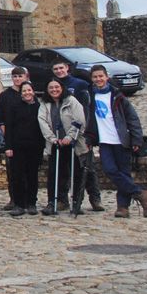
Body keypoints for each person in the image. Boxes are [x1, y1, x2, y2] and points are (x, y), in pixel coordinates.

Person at [85, 65, 147, 218]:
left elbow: (132, 118)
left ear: (106, 77)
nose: (98, 79)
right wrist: (89, 137)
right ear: (92, 79)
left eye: (100, 76)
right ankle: (141, 194)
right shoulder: (90, 96)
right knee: (110, 170)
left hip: (121, 140)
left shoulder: (118, 96)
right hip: (104, 141)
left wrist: (136, 139)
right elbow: (89, 120)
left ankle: (123, 207)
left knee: (123, 173)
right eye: (95, 77)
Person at [52, 59, 104, 211]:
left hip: (80, 134)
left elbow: (87, 108)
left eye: (61, 68)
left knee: (87, 168)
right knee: (62, 168)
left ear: (67, 68)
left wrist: (85, 131)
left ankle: (95, 199)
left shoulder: (80, 84)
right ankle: (62, 199)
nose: (59, 71)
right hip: (61, 134)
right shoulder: (53, 85)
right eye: (55, 68)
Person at [39, 78, 88, 216]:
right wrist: (52, 138)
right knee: (54, 173)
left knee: (76, 173)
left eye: (57, 87)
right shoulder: (45, 103)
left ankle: (76, 202)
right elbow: (42, 121)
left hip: (72, 143)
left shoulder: (71, 101)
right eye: (51, 88)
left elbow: (79, 120)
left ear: (62, 88)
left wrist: (69, 137)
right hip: (55, 143)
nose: (54, 90)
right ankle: (53, 201)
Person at [3, 82, 43, 217]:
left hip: (35, 146)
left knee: (32, 176)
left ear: (33, 91)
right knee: (17, 176)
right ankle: (19, 204)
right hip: (17, 146)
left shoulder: (39, 107)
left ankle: (31, 203)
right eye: (24, 91)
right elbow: (8, 128)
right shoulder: (14, 107)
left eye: (29, 90)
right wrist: (8, 146)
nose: (27, 93)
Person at [0, 65, 28, 211]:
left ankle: (27, 199)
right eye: (15, 76)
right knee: (12, 170)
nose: (17, 79)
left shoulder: (28, 93)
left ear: (25, 77)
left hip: (27, 136)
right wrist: (3, 128)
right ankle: (14, 199)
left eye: (20, 76)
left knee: (27, 170)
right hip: (11, 136)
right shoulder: (5, 95)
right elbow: (0, 114)